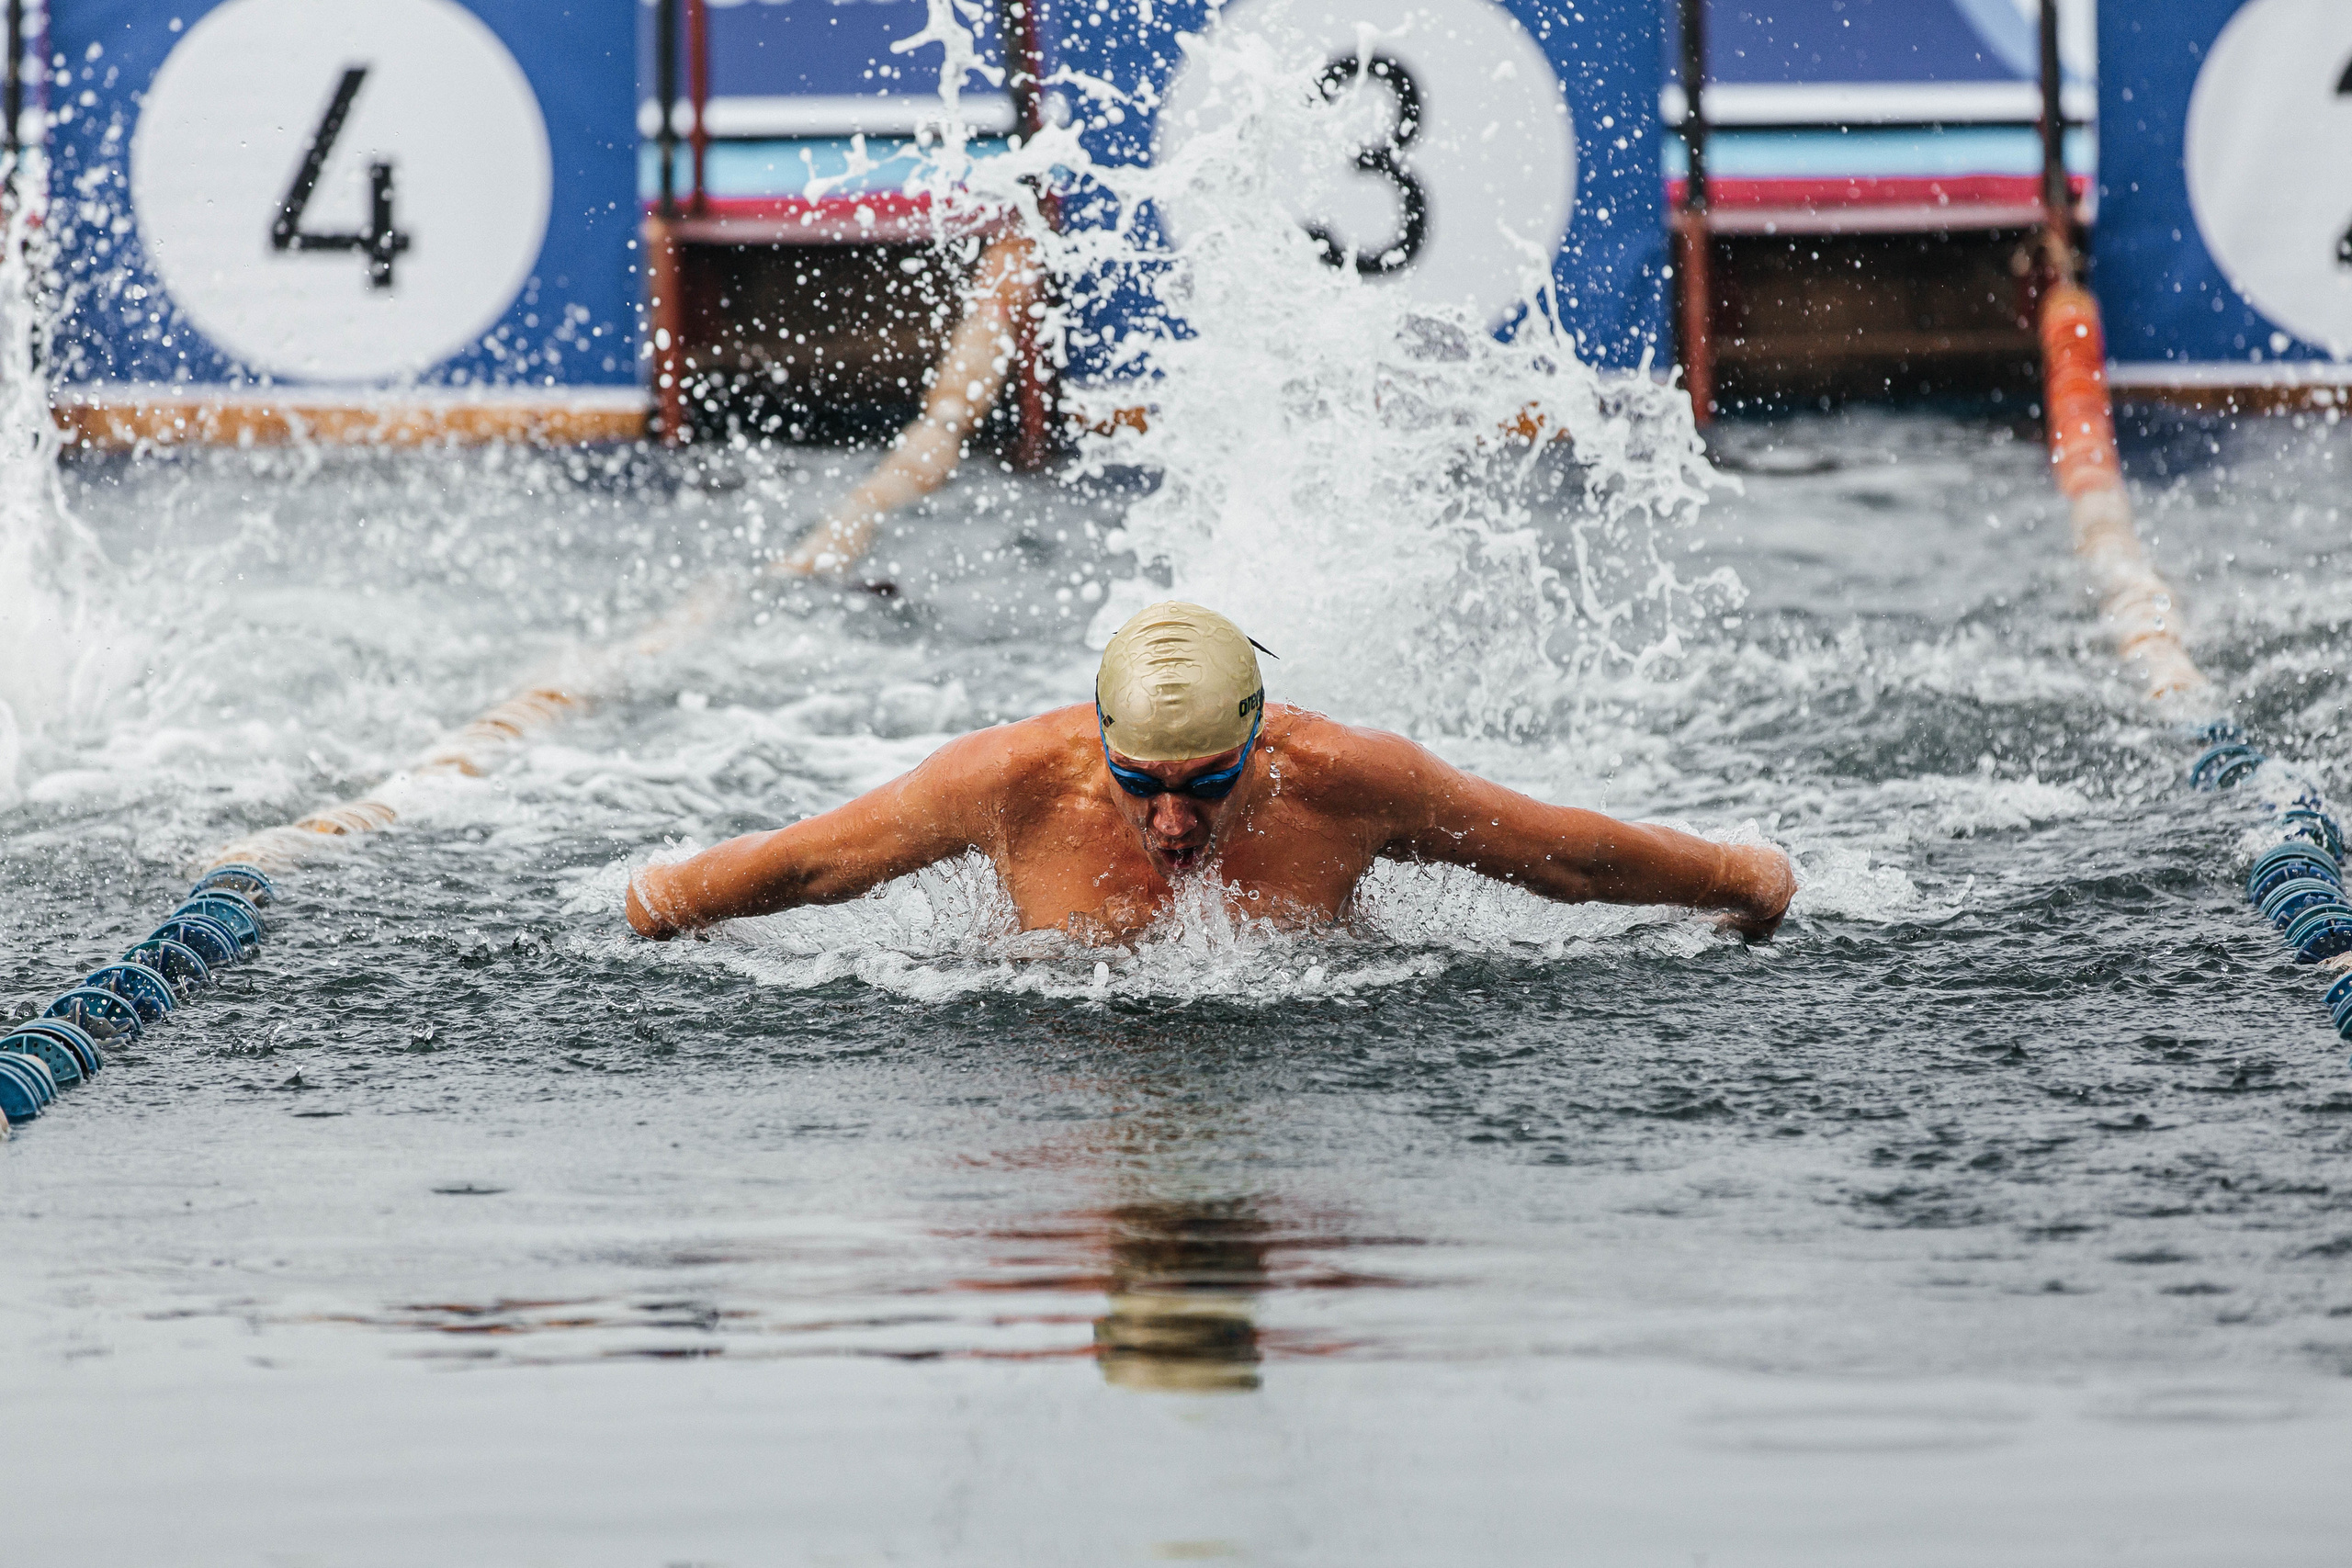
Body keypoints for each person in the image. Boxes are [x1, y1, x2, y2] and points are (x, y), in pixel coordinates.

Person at [626, 602, 1795, 943]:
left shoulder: (1348, 779)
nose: (1174, 822)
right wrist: (660, 903)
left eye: (1205, 784)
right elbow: (809, 867)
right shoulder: (1007, 780)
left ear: (1260, 743)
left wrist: (1739, 878)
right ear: (1098, 746)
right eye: (1141, 787)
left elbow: (1565, 860)